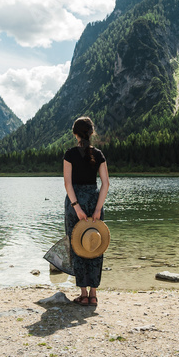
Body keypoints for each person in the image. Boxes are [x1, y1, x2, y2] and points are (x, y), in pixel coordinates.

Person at [63, 116, 109, 306]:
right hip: (94, 201)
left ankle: (83, 294)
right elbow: (105, 184)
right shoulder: (98, 154)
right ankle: (94, 294)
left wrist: (76, 207)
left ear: (75, 134)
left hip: (75, 203)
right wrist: (97, 208)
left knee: (78, 246)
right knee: (95, 245)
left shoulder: (70, 154)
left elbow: (67, 184)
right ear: (91, 133)